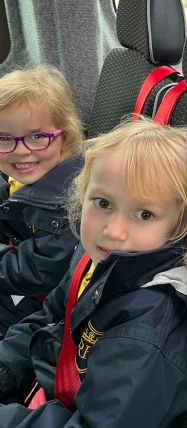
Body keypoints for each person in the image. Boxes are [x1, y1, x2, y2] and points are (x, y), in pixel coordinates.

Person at [0, 118, 187, 426]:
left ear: (178, 227)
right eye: (103, 203)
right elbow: (49, 318)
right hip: (49, 396)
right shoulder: (93, 259)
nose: (113, 231)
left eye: (144, 214)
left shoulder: (145, 336)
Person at [0, 65, 83, 336]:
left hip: (45, 307)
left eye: (37, 137)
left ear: (66, 136)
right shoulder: (30, 177)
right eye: (4, 139)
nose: (21, 151)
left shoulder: (72, 204)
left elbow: (39, 271)